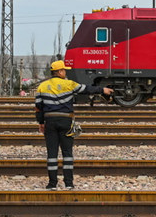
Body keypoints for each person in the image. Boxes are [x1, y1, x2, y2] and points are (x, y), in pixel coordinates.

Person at [35, 60, 114, 190]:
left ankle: (52, 184)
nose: (65, 72)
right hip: (66, 121)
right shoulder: (69, 84)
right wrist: (102, 90)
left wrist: (41, 122)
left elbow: (38, 107)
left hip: (50, 121)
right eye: (64, 70)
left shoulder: (42, 86)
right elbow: (86, 89)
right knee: (67, 152)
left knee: (52, 154)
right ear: (60, 72)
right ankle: (68, 183)